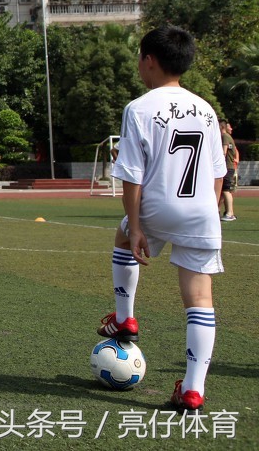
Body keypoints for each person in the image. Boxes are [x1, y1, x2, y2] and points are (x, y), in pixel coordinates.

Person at [97, 25, 227, 413]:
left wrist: (136, 228)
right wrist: (207, 212)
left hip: (158, 206)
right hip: (203, 210)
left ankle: (125, 319)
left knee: (122, 240)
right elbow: (218, 172)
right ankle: (192, 390)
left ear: (149, 60)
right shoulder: (205, 108)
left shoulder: (139, 108)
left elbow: (131, 175)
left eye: (139, 57)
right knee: (200, 300)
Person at [220, 121, 239, 221]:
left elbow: (223, 152)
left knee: (225, 190)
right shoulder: (228, 137)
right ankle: (227, 212)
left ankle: (229, 213)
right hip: (230, 167)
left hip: (226, 167)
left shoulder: (225, 137)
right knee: (224, 191)